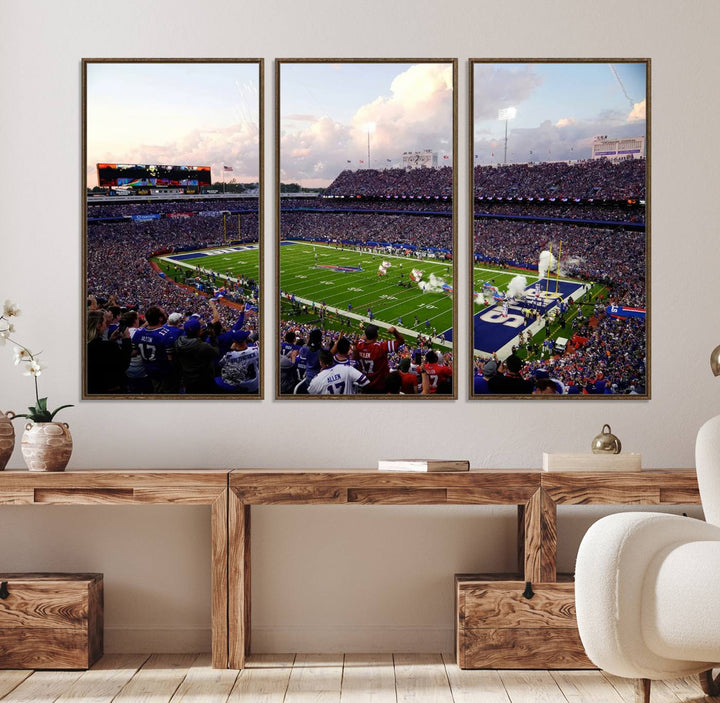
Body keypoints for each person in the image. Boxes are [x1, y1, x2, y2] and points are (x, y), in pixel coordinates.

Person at [86, 309, 132, 394]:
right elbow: (124, 364)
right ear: (98, 325)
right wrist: (126, 339)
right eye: (104, 322)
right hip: (109, 390)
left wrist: (111, 340)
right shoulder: (107, 346)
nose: (106, 325)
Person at [354, 323, 404, 393]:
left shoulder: (359, 345)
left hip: (365, 384)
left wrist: (366, 332)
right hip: (380, 385)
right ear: (377, 336)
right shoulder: (380, 347)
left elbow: (361, 339)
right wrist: (394, 331)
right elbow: (401, 341)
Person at [174, 318, 218, 394]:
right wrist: (213, 338)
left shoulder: (178, 342)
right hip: (203, 379)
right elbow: (216, 352)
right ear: (199, 331)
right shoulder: (202, 346)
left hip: (187, 377)